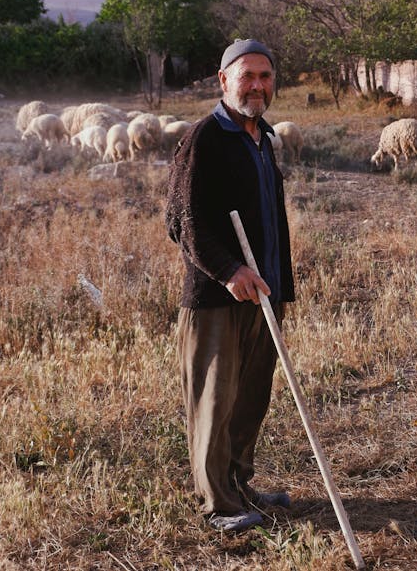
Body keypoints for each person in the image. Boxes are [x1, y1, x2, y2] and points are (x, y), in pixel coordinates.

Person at [165, 38, 295, 533]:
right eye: (247, 76)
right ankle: (218, 505)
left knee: (251, 397)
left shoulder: (262, 137)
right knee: (215, 401)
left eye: (265, 76)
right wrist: (229, 270)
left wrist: (278, 286)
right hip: (218, 298)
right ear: (224, 81)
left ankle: (241, 484)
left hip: (264, 294)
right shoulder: (206, 138)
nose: (258, 86)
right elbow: (182, 219)